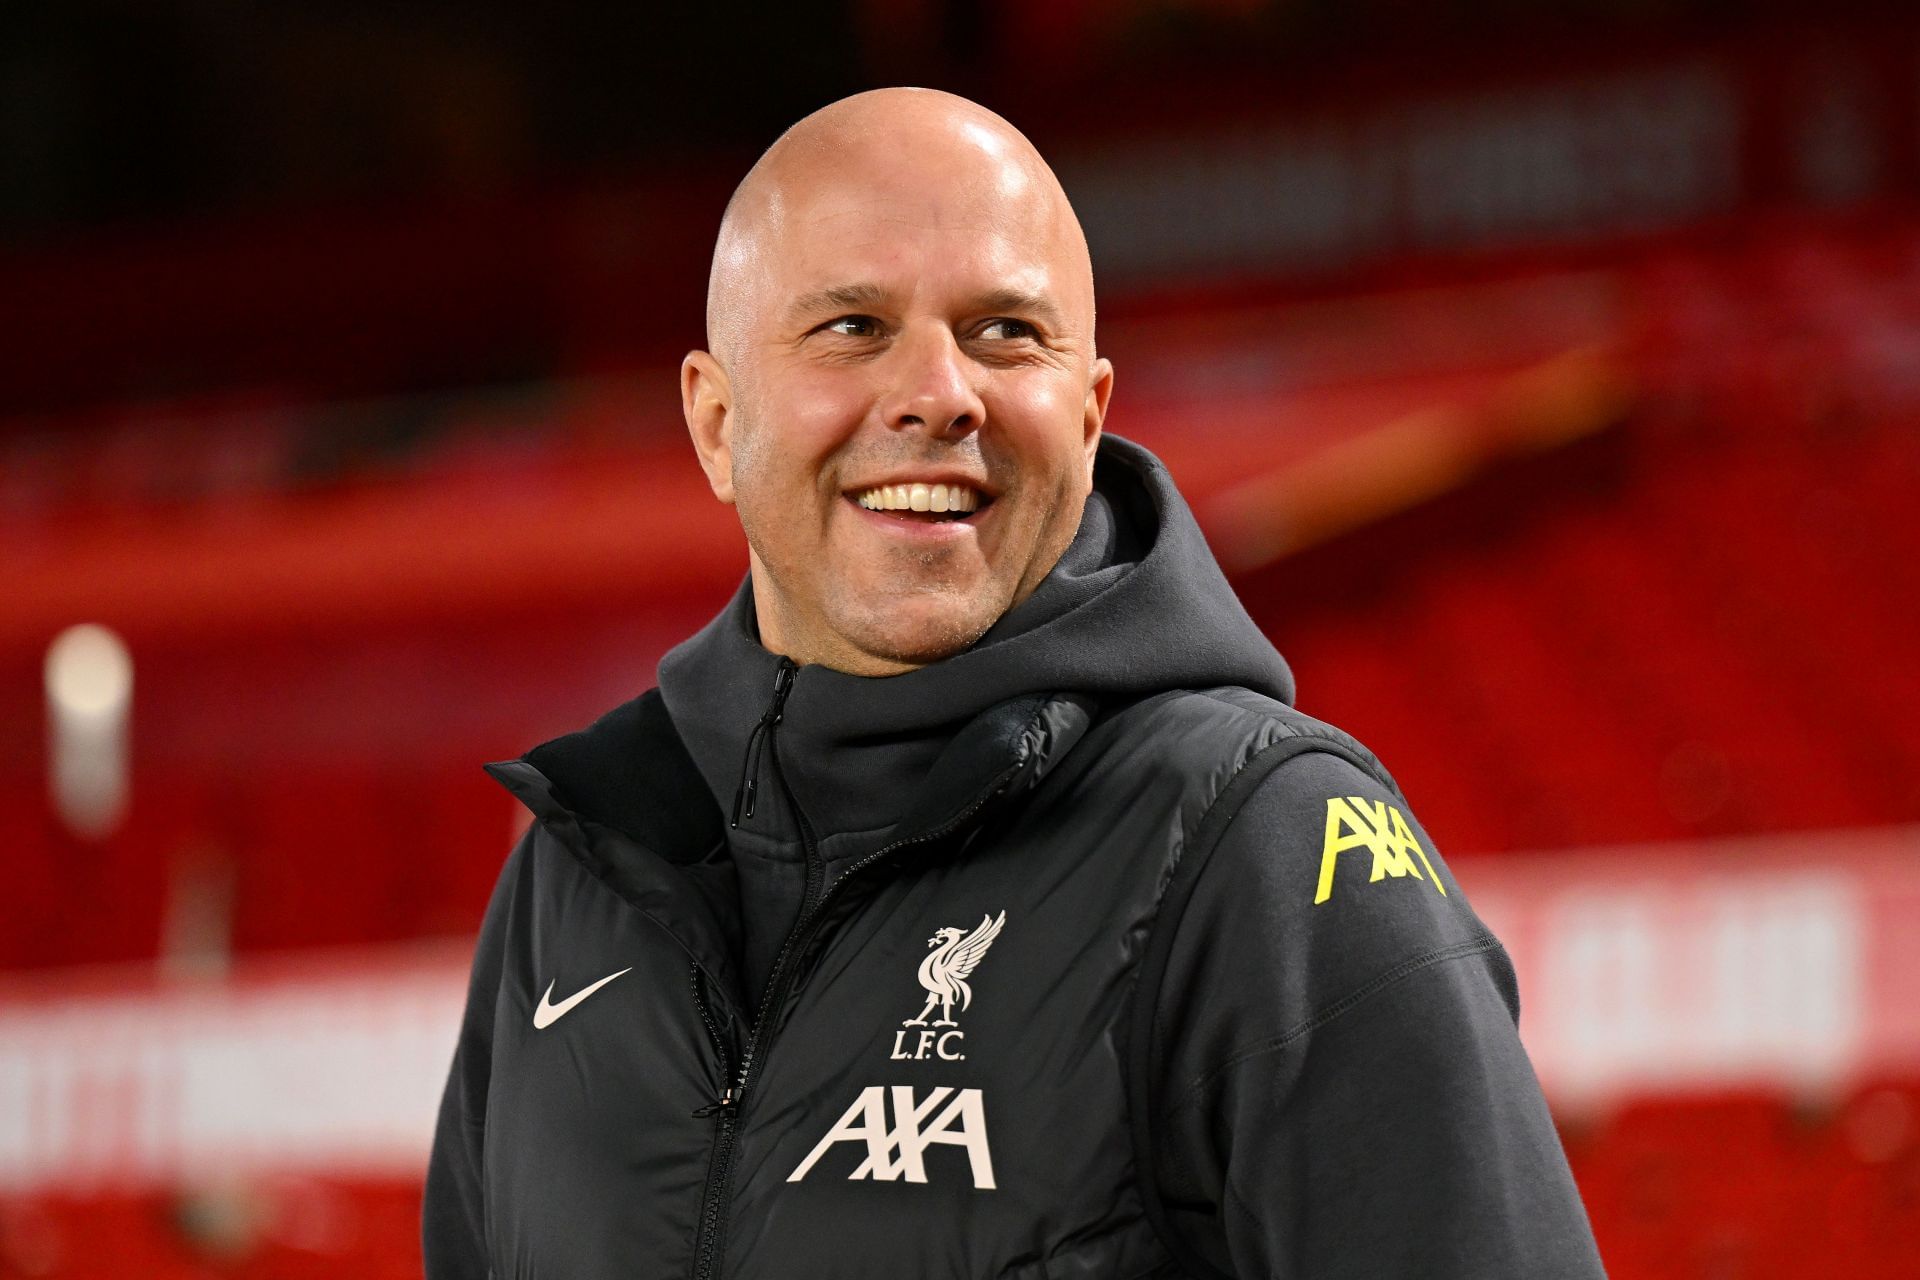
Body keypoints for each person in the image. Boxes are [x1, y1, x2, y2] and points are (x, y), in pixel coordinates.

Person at [423, 88, 1605, 1279]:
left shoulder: (1266, 846)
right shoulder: (576, 873)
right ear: (717, 422)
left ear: (1089, 416)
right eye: (852, 326)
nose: (940, 391)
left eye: (1004, 330)